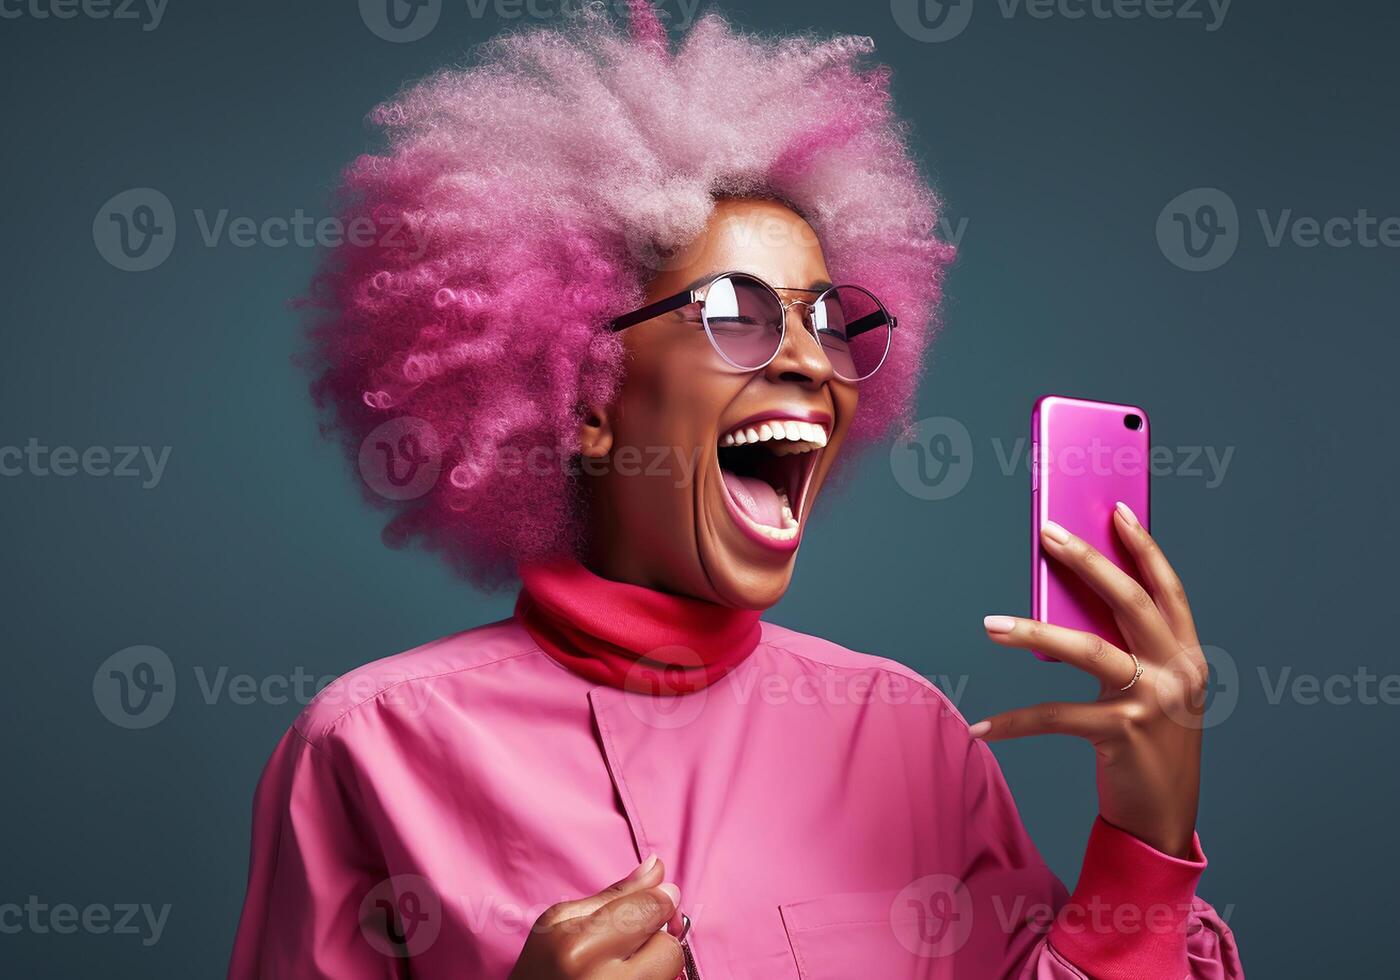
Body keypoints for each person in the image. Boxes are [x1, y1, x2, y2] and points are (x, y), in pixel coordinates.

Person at [228, 4, 1244, 977]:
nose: (809, 358)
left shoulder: (911, 737)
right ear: (585, 391)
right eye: (736, 312)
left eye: (825, 320)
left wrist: (1144, 841)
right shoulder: (367, 748)